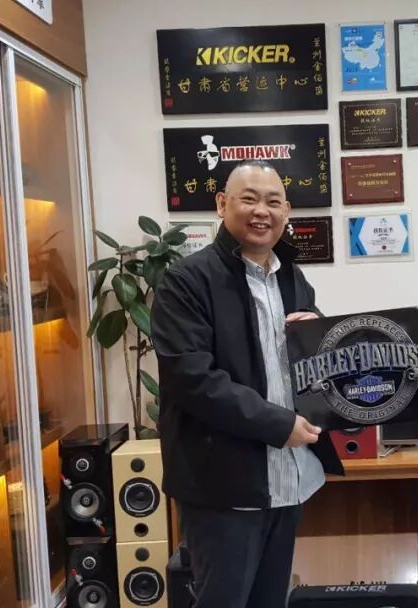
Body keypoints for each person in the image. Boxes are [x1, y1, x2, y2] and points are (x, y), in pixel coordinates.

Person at [151, 159, 343, 607]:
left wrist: (317, 332)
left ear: (287, 211)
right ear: (222, 204)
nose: (262, 211)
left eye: (273, 202)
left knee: (270, 600)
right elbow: (192, 379)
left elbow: (308, 362)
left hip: (289, 479)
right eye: (249, 199)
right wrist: (278, 424)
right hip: (223, 486)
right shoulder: (186, 281)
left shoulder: (292, 276)